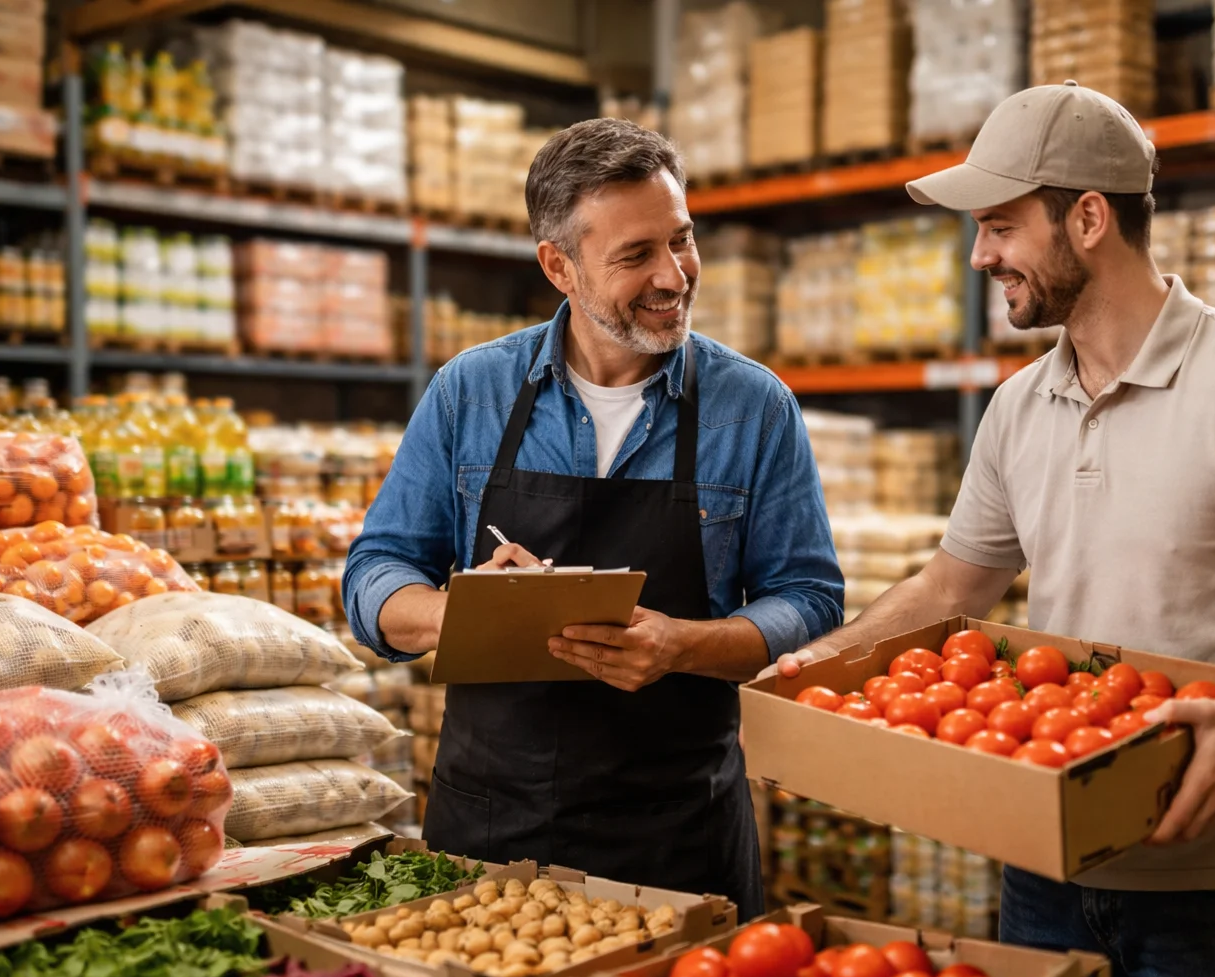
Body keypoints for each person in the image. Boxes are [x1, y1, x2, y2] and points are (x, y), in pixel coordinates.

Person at [773, 82, 1215, 977]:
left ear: (1087, 218)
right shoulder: (1017, 406)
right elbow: (956, 582)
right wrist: (822, 671)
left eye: (1001, 225)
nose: (981, 255)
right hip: (1048, 868)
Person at [343, 118, 842, 919]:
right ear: (559, 267)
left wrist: (683, 645)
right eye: (635, 256)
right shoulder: (471, 393)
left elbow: (809, 597)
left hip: (679, 833)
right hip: (491, 832)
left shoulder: (753, 408)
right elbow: (373, 575)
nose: (674, 275)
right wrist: (463, 611)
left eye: (681, 240)